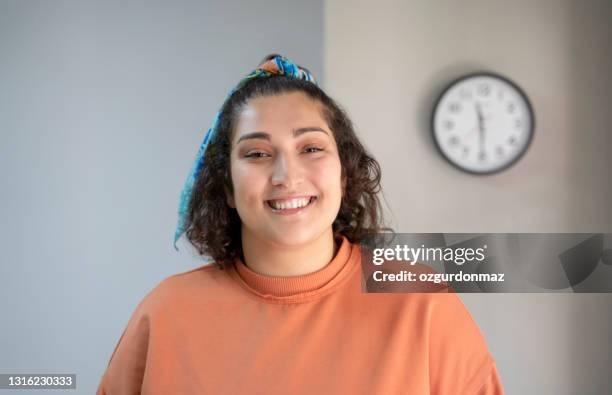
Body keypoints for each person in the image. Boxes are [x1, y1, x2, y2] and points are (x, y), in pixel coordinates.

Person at [96, 54, 504, 394]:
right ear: (227, 187)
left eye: (310, 147)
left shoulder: (422, 304)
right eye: (256, 154)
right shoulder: (167, 313)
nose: (286, 175)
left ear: (345, 172)